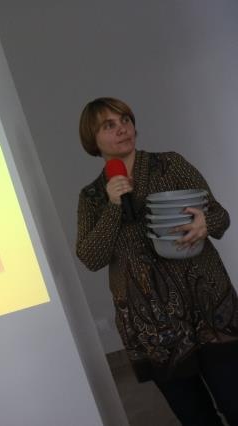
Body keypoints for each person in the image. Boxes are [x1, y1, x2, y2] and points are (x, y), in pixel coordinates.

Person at [76, 97, 238, 425]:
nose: (122, 128)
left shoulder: (170, 164)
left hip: (209, 310)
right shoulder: (92, 196)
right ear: (92, 138)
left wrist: (206, 223)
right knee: (196, 418)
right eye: (109, 125)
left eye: (125, 120)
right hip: (153, 328)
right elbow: (91, 257)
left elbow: (219, 215)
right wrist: (112, 206)